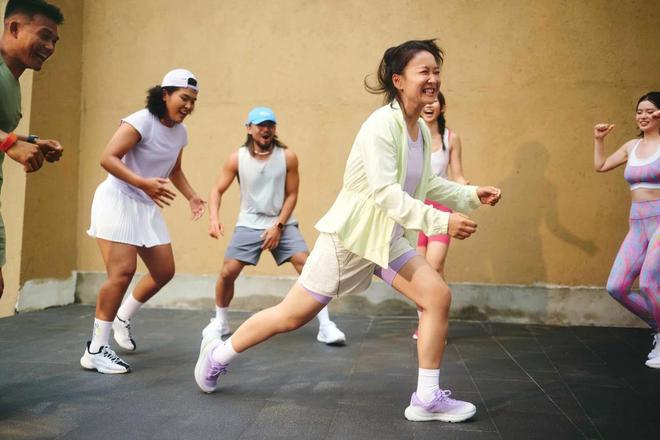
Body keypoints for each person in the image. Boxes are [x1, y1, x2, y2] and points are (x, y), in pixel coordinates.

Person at [194, 39, 501, 423]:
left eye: (436, 72)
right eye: (424, 71)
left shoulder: (420, 132)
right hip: (351, 240)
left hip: (386, 240)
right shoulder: (380, 126)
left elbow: (427, 184)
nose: (433, 79)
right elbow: (385, 193)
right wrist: (441, 222)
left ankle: (426, 398)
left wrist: (470, 195)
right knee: (290, 317)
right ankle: (218, 354)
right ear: (398, 80)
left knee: (437, 296)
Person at [80, 69, 206, 374]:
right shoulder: (140, 121)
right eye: (184, 98)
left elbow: (174, 169)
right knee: (122, 272)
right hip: (118, 199)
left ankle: (122, 316)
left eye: (193, 101)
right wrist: (142, 182)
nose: (189, 106)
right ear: (165, 94)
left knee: (164, 271)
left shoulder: (180, 133)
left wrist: (191, 196)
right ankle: (95, 349)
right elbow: (107, 158)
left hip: (145, 205)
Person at [203, 106, 346, 345]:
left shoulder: (287, 157)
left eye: (270, 125)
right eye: (260, 125)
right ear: (249, 129)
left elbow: (292, 195)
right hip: (249, 223)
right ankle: (220, 321)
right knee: (228, 272)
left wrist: (278, 227)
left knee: (309, 267)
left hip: (282, 223)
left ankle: (325, 325)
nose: (266, 129)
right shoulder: (237, 158)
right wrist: (214, 219)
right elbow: (217, 190)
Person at [0, 0, 64, 299]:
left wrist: (32, 141)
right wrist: (10, 144)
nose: (49, 47)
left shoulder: (10, 79)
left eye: (54, 41)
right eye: (44, 36)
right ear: (14, 28)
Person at [593, 91, 660, 369]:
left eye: (650, 111)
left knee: (649, 283)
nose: (643, 116)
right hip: (637, 224)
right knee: (616, 287)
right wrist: (599, 139)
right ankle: (659, 329)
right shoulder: (632, 146)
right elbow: (600, 166)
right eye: (639, 111)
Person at [413, 91, 468, 339]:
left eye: (435, 101)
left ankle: (435, 324)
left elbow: (457, 175)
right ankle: (426, 322)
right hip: (417, 211)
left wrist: (468, 192)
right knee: (419, 272)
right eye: (426, 101)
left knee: (434, 266)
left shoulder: (451, 138)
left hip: (442, 211)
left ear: (442, 108)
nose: (429, 105)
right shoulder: (413, 137)